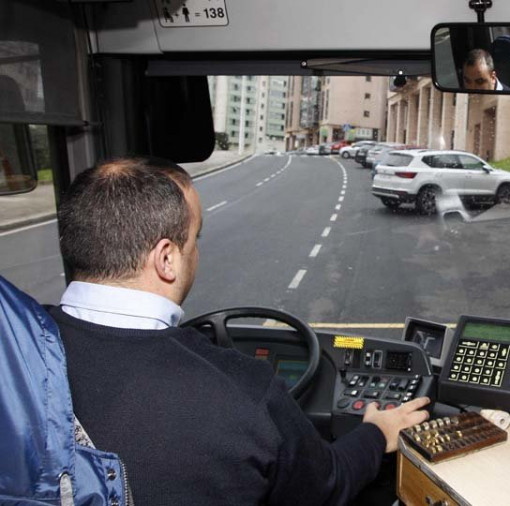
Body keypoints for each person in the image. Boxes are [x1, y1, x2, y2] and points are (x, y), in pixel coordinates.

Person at [51, 157, 430, 505]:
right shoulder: (243, 390)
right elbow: (326, 485)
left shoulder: (17, 351)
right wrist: (377, 433)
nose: (196, 253)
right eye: (194, 239)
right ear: (167, 258)